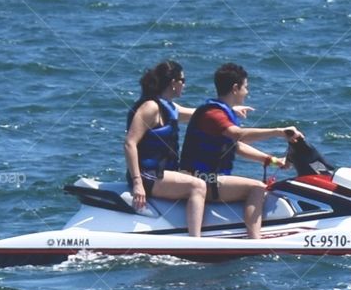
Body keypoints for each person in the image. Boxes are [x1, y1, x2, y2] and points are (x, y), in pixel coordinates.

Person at [180, 63, 301, 239]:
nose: (247, 92)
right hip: (204, 179)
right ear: (235, 88)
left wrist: (272, 160)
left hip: (208, 178)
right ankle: (255, 241)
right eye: (245, 87)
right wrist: (279, 132)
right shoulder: (214, 115)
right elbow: (237, 135)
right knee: (257, 188)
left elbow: (235, 146)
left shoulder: (219, 111)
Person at [124, 60, 208, 236]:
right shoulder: (151, 107)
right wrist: (138, 183)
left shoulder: (168, 106)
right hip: (148, 175)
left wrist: (229, 110)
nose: (184, 85)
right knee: (198, 186)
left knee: (208, 178)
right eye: (183, 81)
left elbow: (197, 114)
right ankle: (196, 241)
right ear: (173, 83)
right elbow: (129, 143)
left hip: (161, 173)